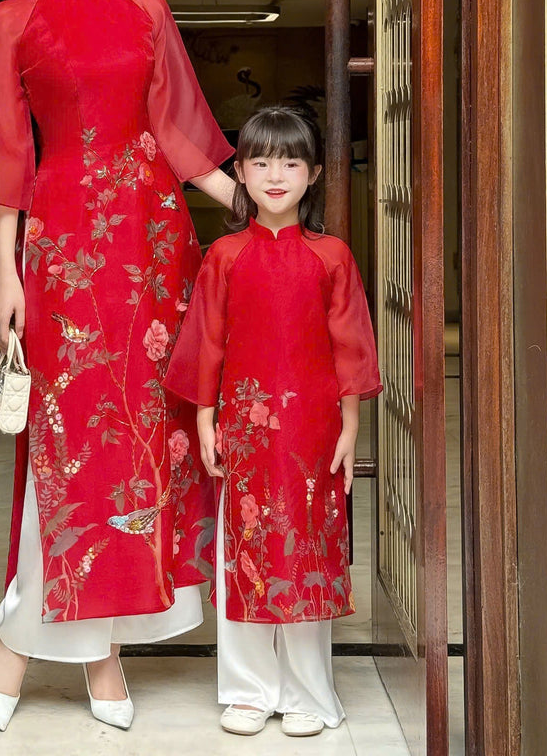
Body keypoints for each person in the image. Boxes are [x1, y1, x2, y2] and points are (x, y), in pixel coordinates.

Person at [0, 0, 235, 732]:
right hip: (65, 248)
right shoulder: (8, 24)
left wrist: (264, 210)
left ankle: (92, 648)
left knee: (149, 445)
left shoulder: (145, 6)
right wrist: (6, 277)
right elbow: (4, 161)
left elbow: (179, 131)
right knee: (71, 448)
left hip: (153, 249)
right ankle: (33, 642)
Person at [164, 105, 382, 738]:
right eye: (260, 162)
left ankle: (310, 691)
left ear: (312, 173)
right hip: (244, 426)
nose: (275, 174)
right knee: (245, 552)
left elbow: (351, 348)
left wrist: (350, 428)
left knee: (307, 553)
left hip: (314, 428)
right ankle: (248, 690)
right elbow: (206, 343)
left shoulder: (332, 256)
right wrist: (206, 420)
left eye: (290, 162)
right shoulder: (225, 256)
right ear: (242, 173)